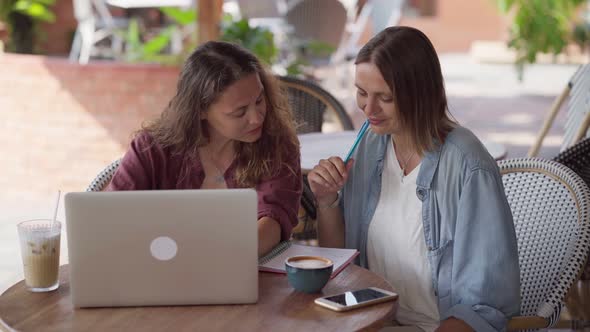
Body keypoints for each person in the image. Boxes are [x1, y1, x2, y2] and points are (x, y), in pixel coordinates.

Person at [307, 27, 520, 332]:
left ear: (421, 94)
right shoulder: (372, 142)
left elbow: (484, 308)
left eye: (386, 98)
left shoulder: (468, 166)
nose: (368, 109)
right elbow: (339, 265)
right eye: (362, 93)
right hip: (370, 320)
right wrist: (327, 201)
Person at [107, 41, 302, 257]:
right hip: (159, 275)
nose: (256, 118)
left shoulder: (276, 143)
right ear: (200, 111)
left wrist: (221, 258)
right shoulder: (151, 148)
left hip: (247, 277)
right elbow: (114, 216)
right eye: (239, 112)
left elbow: (274, 219)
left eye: (259, 100)